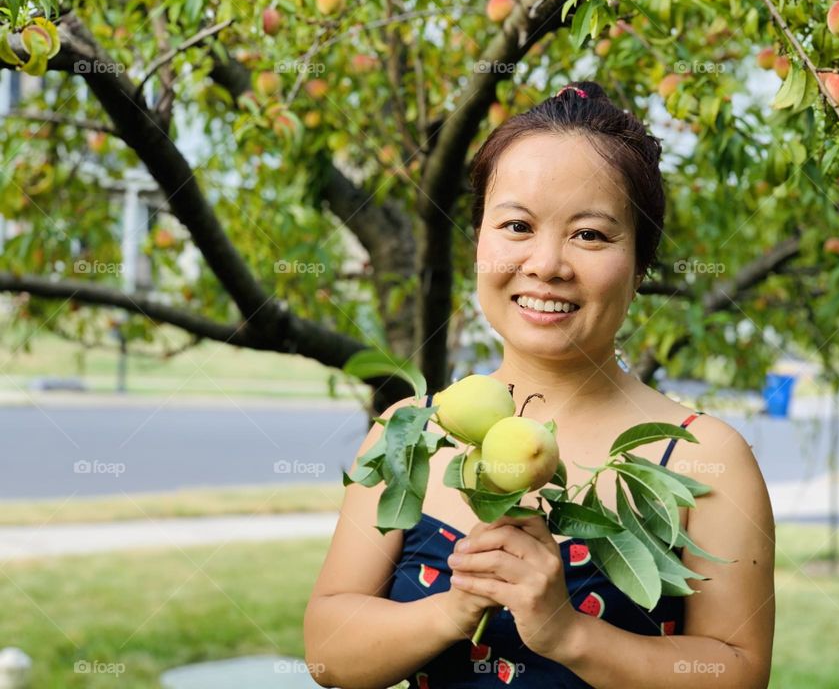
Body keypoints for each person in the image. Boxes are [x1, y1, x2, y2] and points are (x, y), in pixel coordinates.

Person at [304, 80, 775, 688]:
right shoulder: (409, 434)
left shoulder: (702, 457)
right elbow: (327, 652)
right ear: (478, 243)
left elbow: (737, 674)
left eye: (590, 234)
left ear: (639, 266)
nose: (547, 264)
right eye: (517, 226)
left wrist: (567, 632)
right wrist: (454, 608)